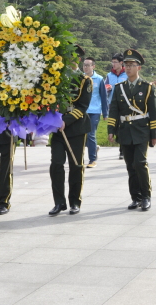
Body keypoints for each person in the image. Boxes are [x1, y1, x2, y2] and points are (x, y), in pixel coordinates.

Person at [107, 49, 156, 211]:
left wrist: (154, 134)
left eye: (132, 65)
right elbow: (114, 110)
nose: (128, 68)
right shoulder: (119, 88)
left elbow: (153, 112)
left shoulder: (147, 87)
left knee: (140, 163)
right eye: (126, 65)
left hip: (141, 130)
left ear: (139, 68)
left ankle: (146, 196)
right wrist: (111, 129)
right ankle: (135, 197)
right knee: (130, 165)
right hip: (125, 130)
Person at [49, 45, 92, 216]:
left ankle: (75, 201)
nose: (69, 60)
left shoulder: (84, 80)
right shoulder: (55, 77)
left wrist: (65, 121)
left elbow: (82, 106)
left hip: (76, 128)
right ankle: (59, 202)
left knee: (76, 165)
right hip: (57, 128)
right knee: (56, 164)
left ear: (78, 59)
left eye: (72, 57)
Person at [83, 57, 108, 168]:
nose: (86, 67)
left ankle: (92, 160)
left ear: (93, 66)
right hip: (82, 111)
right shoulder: (81, 78)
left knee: (90, 134)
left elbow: (104, 97)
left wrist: (105, 113)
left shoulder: (99, 79)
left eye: (88, 65)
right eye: (84, 65)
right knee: (82, 136)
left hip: (94, 111)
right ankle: (93, 148)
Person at [105, 53, 127, 160]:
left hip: (124, 104)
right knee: (115, 125)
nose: (113, 64)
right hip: (112, 104)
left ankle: (122, 150)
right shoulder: (109, 75)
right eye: (112, 62)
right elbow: (104, 88)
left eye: (115, 62)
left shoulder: (126, 74)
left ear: (121, 63)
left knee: (123, 126)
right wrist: (107, 89)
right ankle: (115, 139)